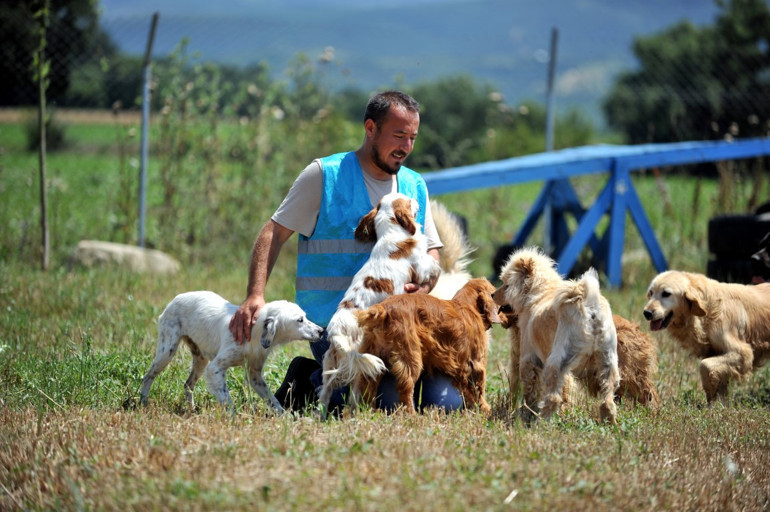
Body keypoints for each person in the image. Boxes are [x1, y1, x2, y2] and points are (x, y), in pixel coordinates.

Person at [229, 90, 464, 413]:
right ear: (370, 128)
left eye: (412, 138)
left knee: (445, 404)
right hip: (338, 328)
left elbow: (432, 252)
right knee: (382, 404)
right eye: (398, 136)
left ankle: (330, 381)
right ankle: (309, 380)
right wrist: (255, 295)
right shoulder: (324, 175)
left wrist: (424, 285)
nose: (406, 148)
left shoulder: (414, 186)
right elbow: (274, 232)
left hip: (397, 327)